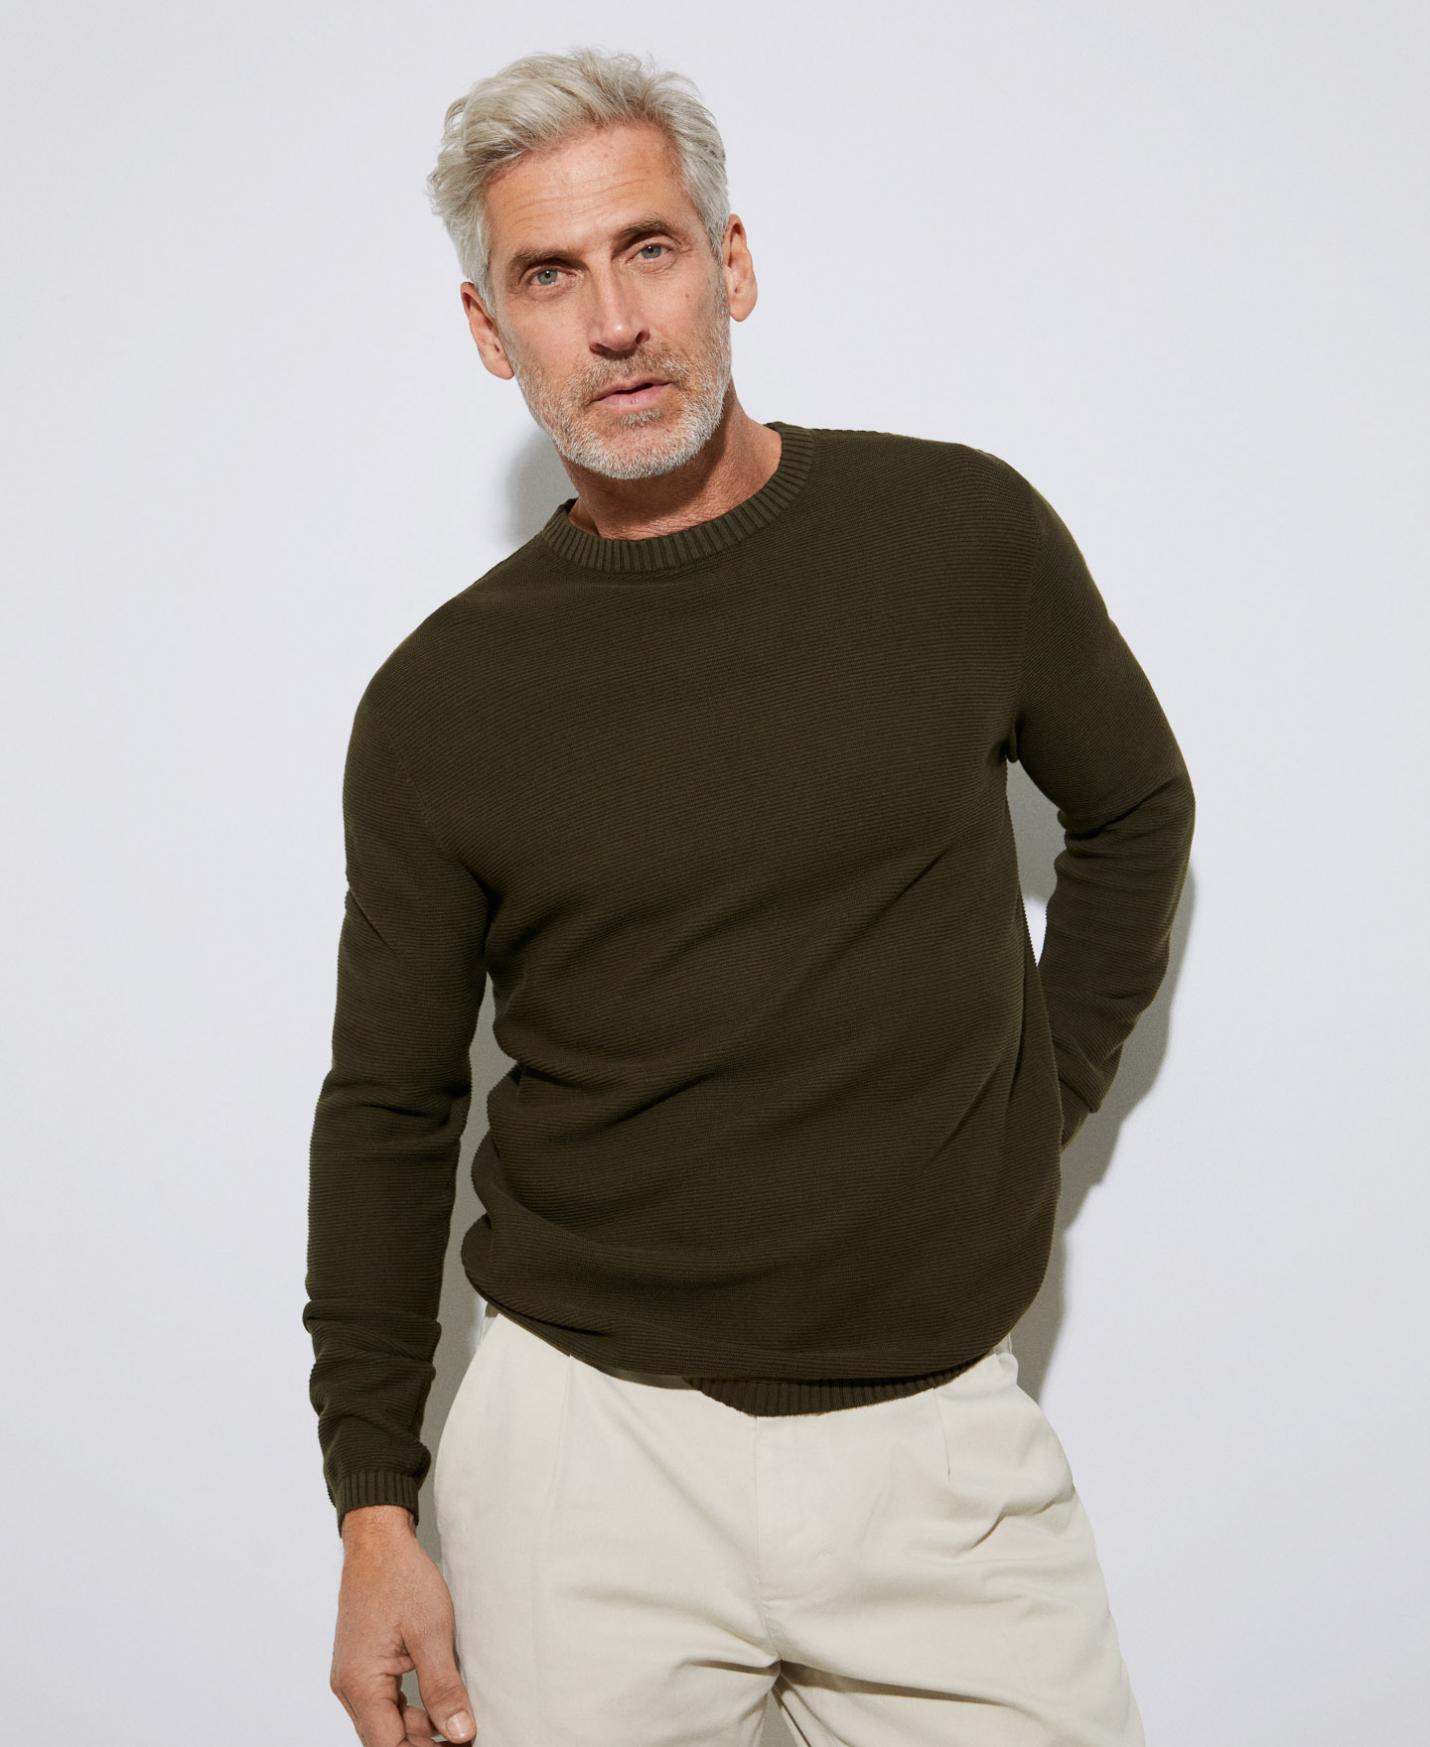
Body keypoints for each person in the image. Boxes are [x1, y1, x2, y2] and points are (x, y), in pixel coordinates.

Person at [304, 44, 1195, 1747]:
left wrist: (1037, 1095)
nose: (612, 323)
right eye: (547, 277)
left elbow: (1135, 811)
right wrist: (372, 1506)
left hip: (941, 1456)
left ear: (731, 263)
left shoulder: (959, 536)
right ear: (490, 331)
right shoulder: (440, 703)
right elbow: (388, 1108)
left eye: (647, 249)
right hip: (582, 1469)